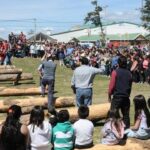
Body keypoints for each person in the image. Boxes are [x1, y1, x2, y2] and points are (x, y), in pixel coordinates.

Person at [108, 55, 132, 129]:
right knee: (126, 115)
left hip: (117, 96)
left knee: (113, 114)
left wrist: (109, 95)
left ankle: (115, 129)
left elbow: (111, 86)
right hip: (126, 96)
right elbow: (130, 86)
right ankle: (126, 130)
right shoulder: (129, 73)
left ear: (118, 63)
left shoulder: (115, 72)